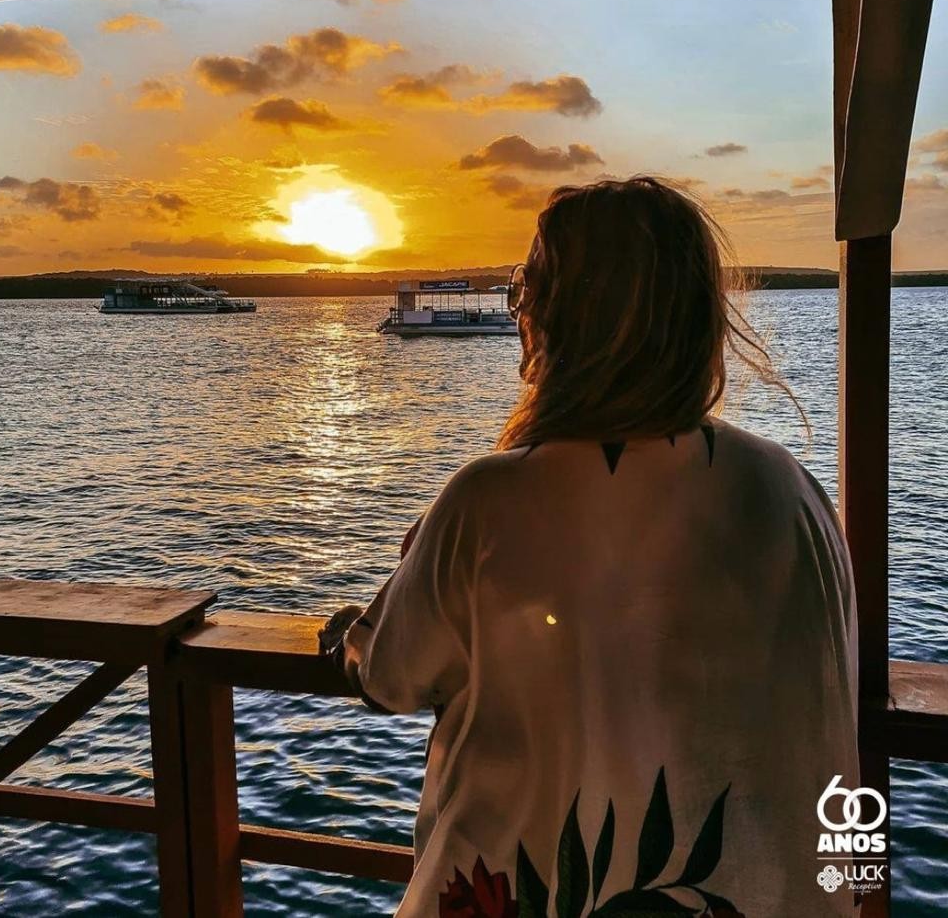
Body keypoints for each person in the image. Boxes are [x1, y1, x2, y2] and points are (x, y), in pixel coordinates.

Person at [319, 177, 858, 918]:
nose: (519, 315)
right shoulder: (792, 492)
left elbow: (389, 674)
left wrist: (349, 631)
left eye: (527, 290)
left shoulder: (491, 501)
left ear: (563, 321)